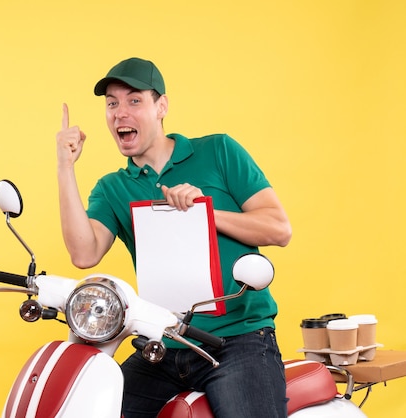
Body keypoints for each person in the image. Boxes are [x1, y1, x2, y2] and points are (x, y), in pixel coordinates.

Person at [55, 57, 292, 418]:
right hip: (163, 344)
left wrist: (204, 212)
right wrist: (65, 167)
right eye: (112, 103)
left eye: (134, 100)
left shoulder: (219, 150)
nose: (120, 113)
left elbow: (278, 228)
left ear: (161, 106)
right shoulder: (113, 187)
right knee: (96, 408)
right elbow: (84, 254)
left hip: (238, 340)